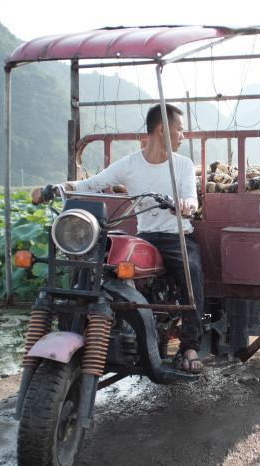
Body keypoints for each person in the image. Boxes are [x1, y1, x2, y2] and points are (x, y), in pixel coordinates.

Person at [32, 104, 204, 373]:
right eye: (180, 129)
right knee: (95, 263)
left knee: (191, 270)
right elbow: (92, 184)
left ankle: (190, 345)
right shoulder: (130, 164)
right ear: (162, 130)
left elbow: (191, 198)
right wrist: (59, 187)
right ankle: (85, 328)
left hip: (176, 236)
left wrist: (185, 205)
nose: (183, 135)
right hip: (146, 236)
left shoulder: (182, 165)